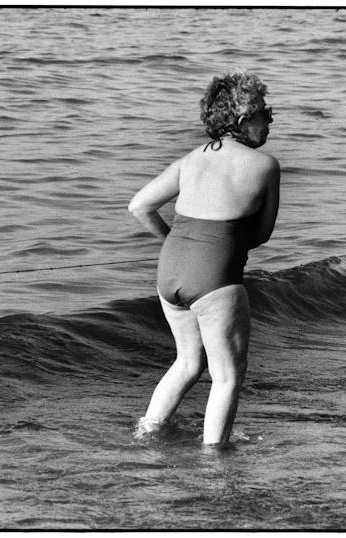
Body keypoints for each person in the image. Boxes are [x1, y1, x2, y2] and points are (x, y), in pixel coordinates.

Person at [128, 70, 280, 446]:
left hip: (169, 272)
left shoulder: (190, 160)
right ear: (243, 120)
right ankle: (214, 461)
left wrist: (175, 240)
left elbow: (139, 206)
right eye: (265, 113)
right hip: (214, 278)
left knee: (188, 362)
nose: (270, 120)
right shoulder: (265, 166)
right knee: (227, 377)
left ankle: (146, 434)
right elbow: (261, 234)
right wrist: (221, 247)